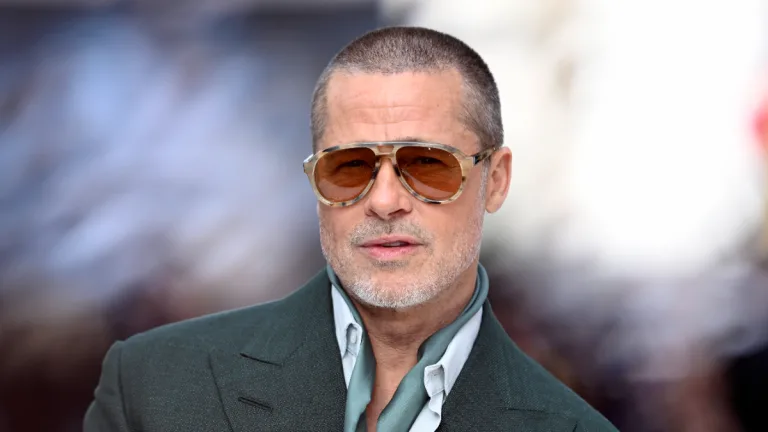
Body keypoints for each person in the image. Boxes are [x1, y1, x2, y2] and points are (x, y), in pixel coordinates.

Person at [84, 26, 617, 432]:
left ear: (495, 181)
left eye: (428, 165)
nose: (384, 201)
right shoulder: (152, 387)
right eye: (349, 167)